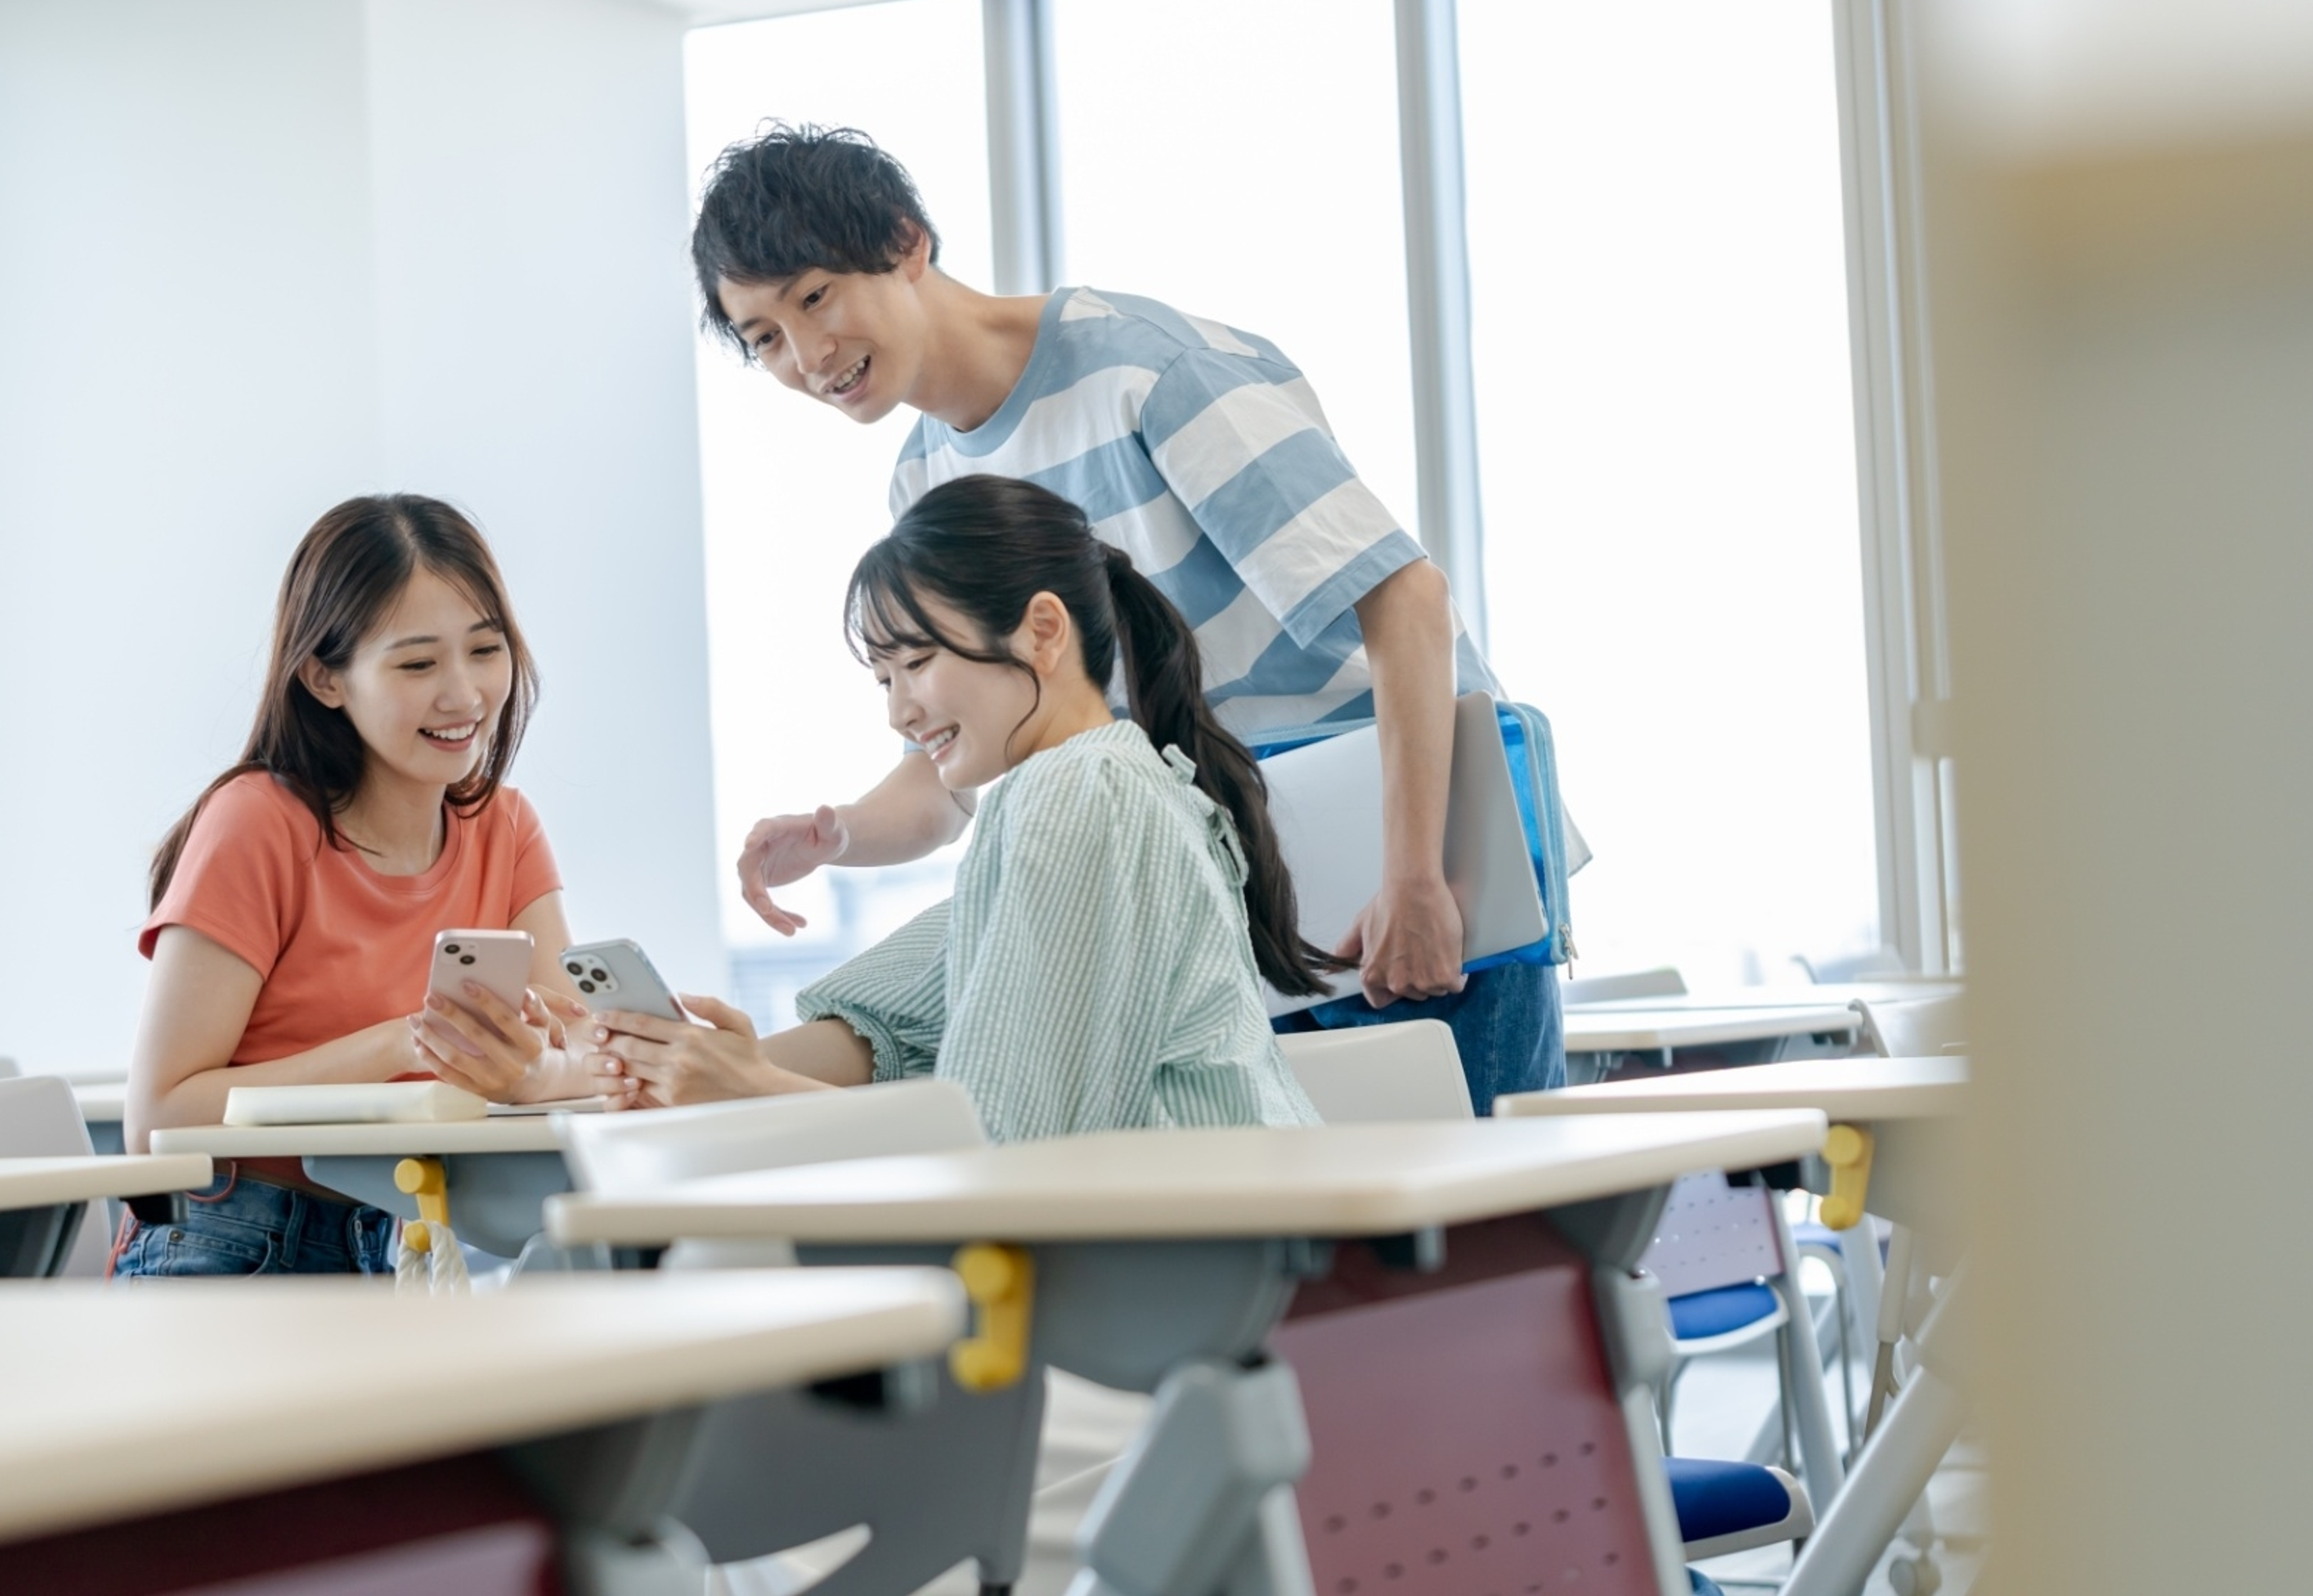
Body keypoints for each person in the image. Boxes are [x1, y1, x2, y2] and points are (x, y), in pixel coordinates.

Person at [690, 125, 1562, 1111]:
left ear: (906, 240)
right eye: (764, 338)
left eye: (814, 297)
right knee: (1324, 1255)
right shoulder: (925, 478)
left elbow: (1407, 602)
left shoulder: (1145, 373)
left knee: (1479, 1241)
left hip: (1405, 873)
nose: (807, 355)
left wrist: (1416, 878)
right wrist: (838, 835)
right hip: (1238, 907)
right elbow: (975, 763)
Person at [591, 475, 1321, 1143]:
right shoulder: (1098, 789)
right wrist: (714, 1069)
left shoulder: (1078, 795)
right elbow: (896, 1020)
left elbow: (1001, 1143)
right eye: (883, 680)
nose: (900, 713)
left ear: (1042, 630)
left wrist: (752, 1088)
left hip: (1210, 1249)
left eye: (916, 663)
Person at [120, 494, 606, 1277]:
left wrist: (531, 1072)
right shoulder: (256, 824)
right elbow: (158, 1118)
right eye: (418, 664)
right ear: (324, 678)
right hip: (231, 1240)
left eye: (486, 650)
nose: (465, 695)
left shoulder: (505, 827)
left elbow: (584, 1041)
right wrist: (396, 1045)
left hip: (403, 1235)